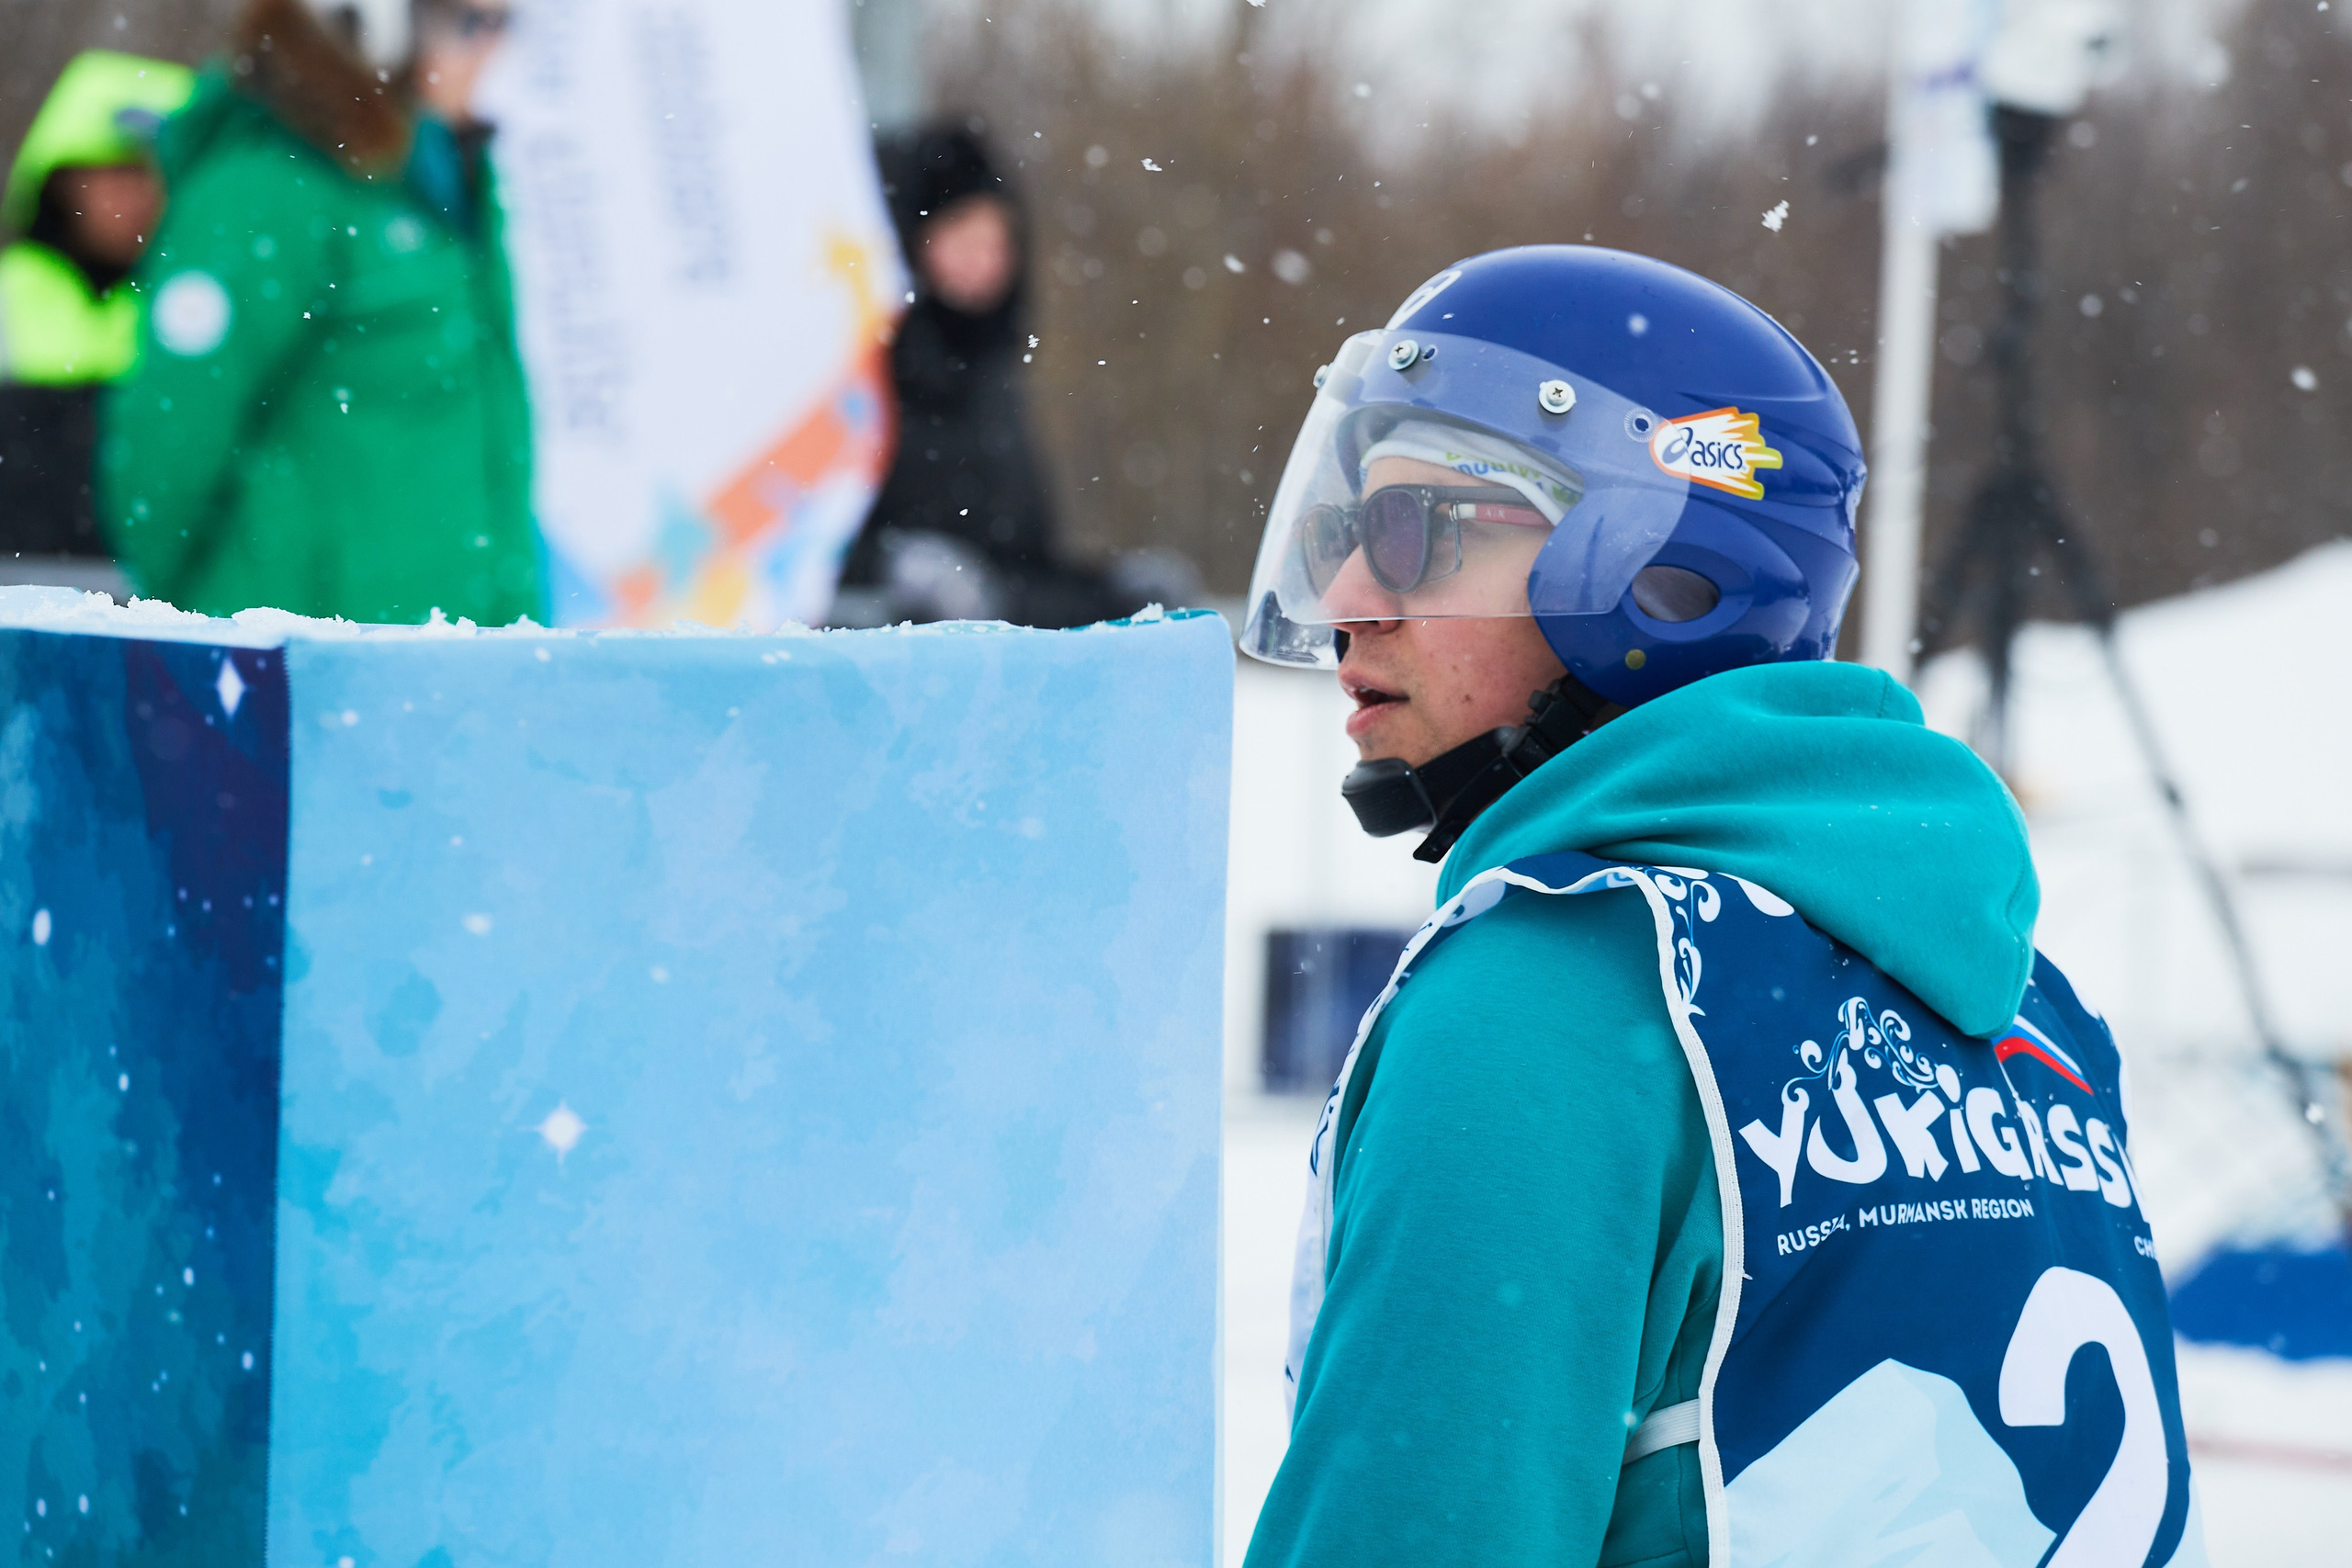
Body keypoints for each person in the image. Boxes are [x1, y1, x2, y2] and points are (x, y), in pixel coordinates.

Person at [1239, 247, 2205, 1566]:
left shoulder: (1545, 999)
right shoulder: (2027, 1008)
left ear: (1658, 570)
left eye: (1422, 530)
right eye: (1341, 532)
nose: (1351, 598)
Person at [99, 0, 540, 625]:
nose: (491, 52)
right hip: (305, 674)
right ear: (379, 24)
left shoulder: (439, 186)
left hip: (443, 668)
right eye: (469, 24)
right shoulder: (265, 188)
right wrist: (210, 631)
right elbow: (166, 450)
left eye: (505, 24)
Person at [835, 122, 1193, 628]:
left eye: (998, 241)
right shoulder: (855, 376)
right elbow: (799, 545)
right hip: (878, 660)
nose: (984, 261)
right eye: (963, 236)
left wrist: (1114, 589)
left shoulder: (995, 388)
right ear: (913, 242)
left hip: (987, 661)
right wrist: (894, 568)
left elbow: (1021, 565)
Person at [0, 51, 193, 570]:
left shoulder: (206, 314)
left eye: (156, 175)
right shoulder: (6, 295)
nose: (138, 198)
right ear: (62, 181)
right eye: (115, 174)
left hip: (160, 621)